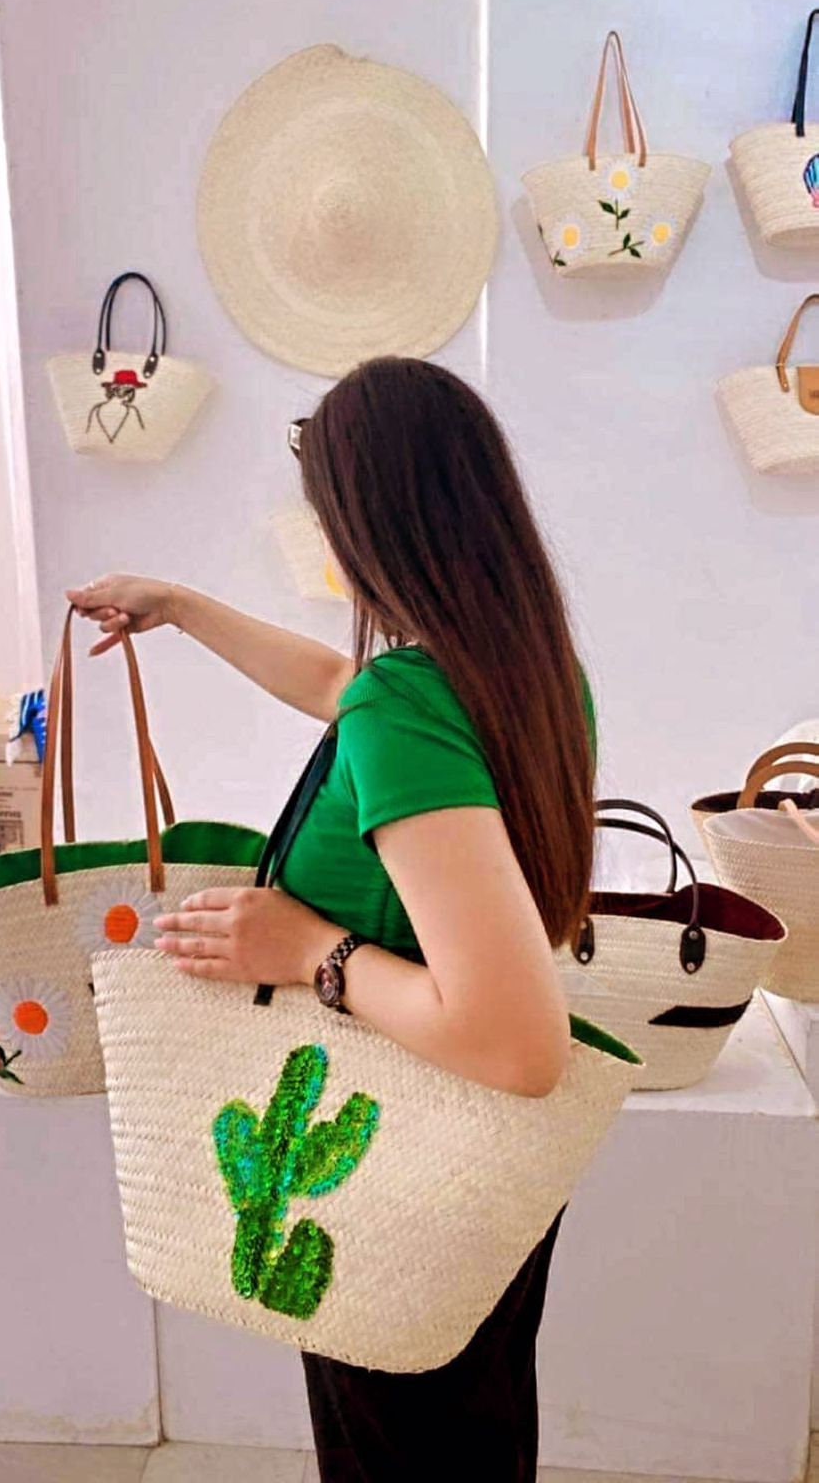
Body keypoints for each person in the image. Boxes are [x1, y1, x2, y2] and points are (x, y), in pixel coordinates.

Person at [68, 355, 596, 1483]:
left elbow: (519, 1042)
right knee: (473, 1433)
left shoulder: (406, 705)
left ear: (366, 525)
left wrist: (309, 948)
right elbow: (337, 688)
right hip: (461, 1155)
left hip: (390, 1151)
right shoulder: (513, 673)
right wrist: (180, 605)